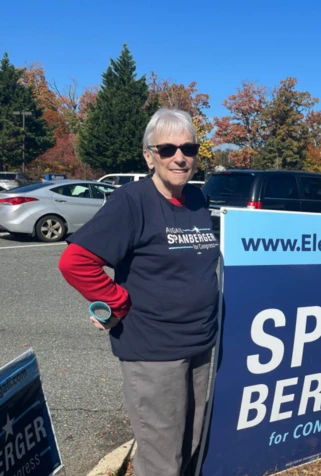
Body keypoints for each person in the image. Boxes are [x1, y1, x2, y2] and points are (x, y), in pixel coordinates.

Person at [59, 108, 219, 476]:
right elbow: (75, 262)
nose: (180, 157)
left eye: (189, 148)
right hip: (154, 351)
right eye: (167, 149)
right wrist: (115, 301)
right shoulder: (132, 201)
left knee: (191, 444)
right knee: (161, 458)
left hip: (199, 345)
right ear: (149, 156)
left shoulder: (197, 201)